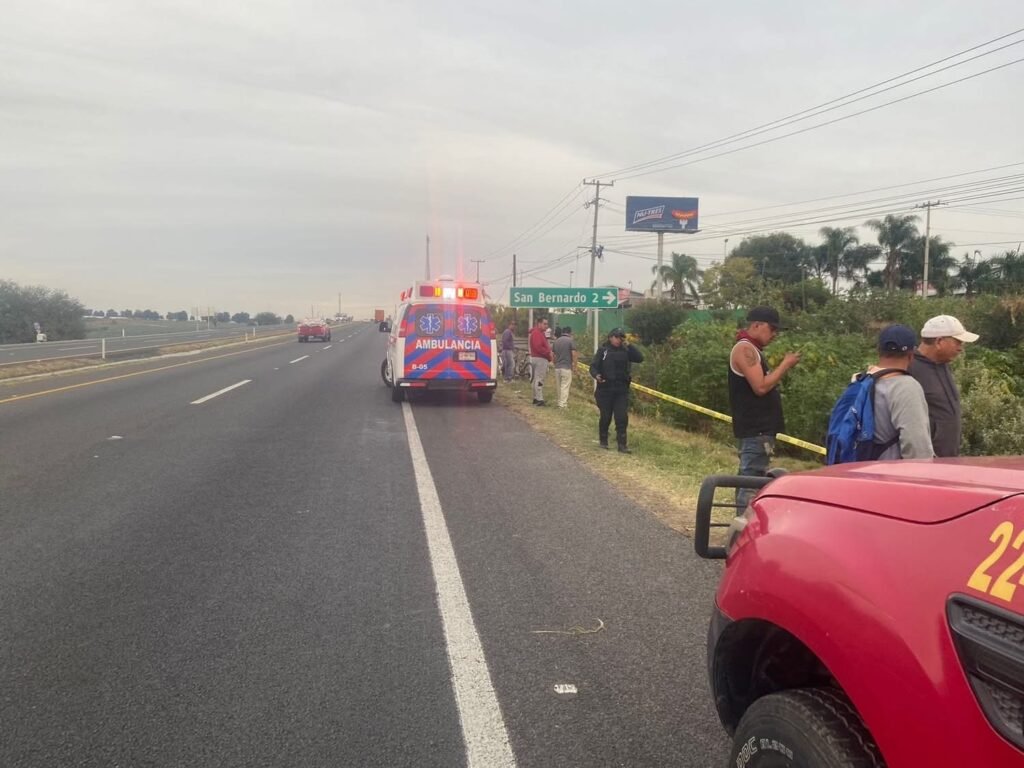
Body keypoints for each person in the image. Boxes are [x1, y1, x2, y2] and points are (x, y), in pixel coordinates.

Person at [728, 306, 800, 509]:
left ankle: (741, 532)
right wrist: (785, 365)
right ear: (757, 325)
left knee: (749, 480)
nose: (775, 334)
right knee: (750, 484)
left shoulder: (753, 350)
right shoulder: (745, 349)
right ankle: (743, 534)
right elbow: (760, 387)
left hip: (759, 430)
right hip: (755, 429)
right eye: (772, 328)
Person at [909, 315, 978, 457]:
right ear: (939, 341)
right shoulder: (910, 369)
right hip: (927, 463)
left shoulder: (943, 364)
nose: (961, 348)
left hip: (949, 458)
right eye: (957, 342)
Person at [866, 324, 934, 460]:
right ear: (911, 354)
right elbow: (916, 444)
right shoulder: (906, 387)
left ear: (879, 351)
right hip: (889, 476)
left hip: (860, 471)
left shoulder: (861, 380)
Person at [589, 328, 643, 452]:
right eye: (617, 337)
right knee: (606, 416)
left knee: (621, 417)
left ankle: (622, 445)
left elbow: (640, 358)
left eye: (621, 338)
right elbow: (593, 367)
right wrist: (596, 375)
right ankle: (603, 440)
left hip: (621, 390)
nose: (619, 340)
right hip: (605, 389)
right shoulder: (603, 351)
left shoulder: (626, 351)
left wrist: (629, 345)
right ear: (611, 337)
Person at [551, 326, 578, 408]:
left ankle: (559, 402)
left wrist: (555, 363)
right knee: (565, 386)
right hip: (566, 367)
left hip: (557, 367)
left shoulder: (556, 341)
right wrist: (575, 366)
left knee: (559, 386)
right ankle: (563, 405)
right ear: (570, 332)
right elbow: (574, 354)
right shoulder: (570, 341)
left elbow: (553, 355)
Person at [528, 317, 553, 406]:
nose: (546, 326)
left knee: (535, 379)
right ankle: (539, 399)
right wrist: (548, 354)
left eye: (547, 324)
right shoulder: (537, 333)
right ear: (539, 324)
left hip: (537, 358)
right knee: (539, 379)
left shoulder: (537, 333)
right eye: (544, 324)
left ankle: (535, 398)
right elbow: (539, 347)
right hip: (540, 358)